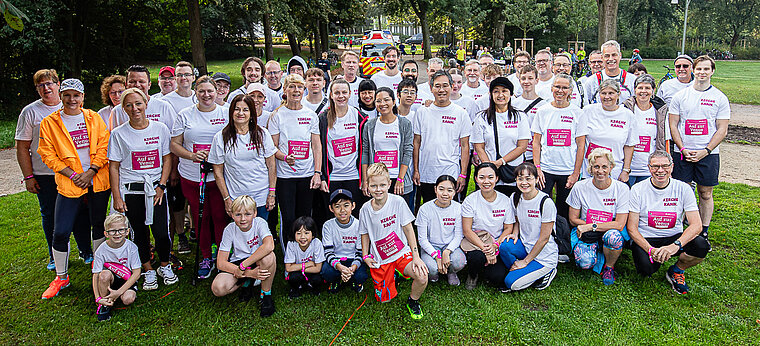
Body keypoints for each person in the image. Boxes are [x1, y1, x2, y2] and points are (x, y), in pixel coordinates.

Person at [38, 78, 111, 300]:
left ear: (82, 97)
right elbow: (47, 154)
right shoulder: (50, 123)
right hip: (70, 183)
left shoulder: (93, 117)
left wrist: (91, 171)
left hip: (97, 179)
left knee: (98, 225)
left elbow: (104, 145)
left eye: (76, 95)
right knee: (60, 230)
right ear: (61, 96)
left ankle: (97, 269)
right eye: (67, 95)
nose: (72, 99)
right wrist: (72, 174)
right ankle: (61, 277)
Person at [106, 65, 186, 255]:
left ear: (149, 85)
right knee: (138, 229)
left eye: (141, 81)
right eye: (133, 81)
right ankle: (145, 263)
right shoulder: (117, 116)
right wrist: (116, 195)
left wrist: (167, 179)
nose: (134, 109)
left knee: (162, 226)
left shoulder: (162, 113)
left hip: (159, 181)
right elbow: (115, 160)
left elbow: (170, 147)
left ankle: (167, 257)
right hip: (131, 185)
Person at [108, 87, 177, 290]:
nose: (134, 108)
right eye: (128, 105)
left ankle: (165, 265)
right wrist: (117, 197)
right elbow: (114, 166)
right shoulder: (118, 134)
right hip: (132, 191)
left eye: (138, 103)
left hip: (156, 190)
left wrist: (162, 186)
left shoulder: (160, 129)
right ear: (123, 109)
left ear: (146, 103)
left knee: (161, 232)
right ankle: (147, 270)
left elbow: (166, 158)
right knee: (139, 233)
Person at [170, 76, 229, 279]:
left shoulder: (225, 112)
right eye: (202, 91)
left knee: (221, 217)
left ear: (217, 92)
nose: (206, 95)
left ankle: (222, 257)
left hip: (219, 177)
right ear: (196, 92)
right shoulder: (185, 114)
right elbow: (174, 144)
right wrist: (192, 156)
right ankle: (206, 256)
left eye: (210, 91)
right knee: (201, 217)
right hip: (193, 176)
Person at [668, 55, 730, 245]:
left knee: (705, 193)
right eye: (699, 69)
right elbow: (673, 125)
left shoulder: (719, 97)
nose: (702, 72)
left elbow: (722, 129)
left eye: (706, 69)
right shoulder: (681, 96)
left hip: (708, 154)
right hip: (683, 152)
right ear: (693, 70)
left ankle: (703, 230)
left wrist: (707, 150)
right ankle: (678, 228)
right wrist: (682, 148)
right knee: (682, 191)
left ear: (712, 71)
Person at [627, 150, 708, 294]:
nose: (660, 170)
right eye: (655, 166)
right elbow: (632, 228)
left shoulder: (683, 188)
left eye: (665, 166)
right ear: (649, 168)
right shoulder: (638, 189)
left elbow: (696, 225)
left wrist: (674, 246)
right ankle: (657, 258)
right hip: (648, 237)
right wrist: (650, 250)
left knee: (701, 246)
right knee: (646, 270)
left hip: (674, 236)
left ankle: (677, 270)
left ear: (672, 167)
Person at [360, 163, 428, 319]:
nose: (378, 189)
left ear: (389, 184)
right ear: (368, 186)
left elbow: (409, 230)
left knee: (422, 276)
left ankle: (413, 301)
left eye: (382, 185)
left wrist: (416, 256)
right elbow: (364, 233)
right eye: (374, 185)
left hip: (401, 253)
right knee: (384, 299)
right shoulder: (365, 209)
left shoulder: (398, 202)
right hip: (381, 258)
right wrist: (365, 256)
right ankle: (393, 276)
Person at [15, 69, 67, 270]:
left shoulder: (71, 105)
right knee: (50, 214)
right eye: (41, 85)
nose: (46, 88)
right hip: (45, 174)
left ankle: (85, 251)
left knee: (80, 212)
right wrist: (28, 176)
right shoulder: (30, 112)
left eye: (49, 83)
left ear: (58, 84)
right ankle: (55, 254)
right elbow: (22, 147)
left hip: (72, 173)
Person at [268, 74, 322, 251]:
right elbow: (272, 148)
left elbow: (316, 147)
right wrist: (284, 157)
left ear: (304, 89)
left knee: (305, 218)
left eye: (299, 87)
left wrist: (317, 173)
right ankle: (289, 255)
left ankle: (305, 254)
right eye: (292, 86)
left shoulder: (310, 115)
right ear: (285, 90)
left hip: (306, 175)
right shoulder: (277, 116)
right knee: (289, 218)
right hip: (285, 177)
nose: (296, 90)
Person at [567, 148, 629, 285]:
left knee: (613, 237)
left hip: (608, 230)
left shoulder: (622, 189)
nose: (600, 171)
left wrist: (591, 226)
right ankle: (598, 251)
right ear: (590, 167)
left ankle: (609, 266)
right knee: (584, 263)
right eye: (596, 166)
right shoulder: (579, 187)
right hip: (588, 233)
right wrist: (590, 228)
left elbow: (619, 224)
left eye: (604, 167)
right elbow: (572, 218)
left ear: (611, 167)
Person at [209, 94, 277, 219]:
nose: (241, 113)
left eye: (245, 110)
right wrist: (226, 198)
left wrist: (271, 193)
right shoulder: (220, 138)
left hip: (261, 195)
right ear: (231, 112)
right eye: (237, 109)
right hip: (236, 197)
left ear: (251, 113)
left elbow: (271, 165)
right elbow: (218, 172)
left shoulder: (262, 134)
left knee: (260, 231)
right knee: (240, 234)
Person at [531, 74, 588, 220]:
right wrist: (537, 167)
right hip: (546, 169)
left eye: (564, 88)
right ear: (551, 88)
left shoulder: (578, 113)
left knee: (564, 212)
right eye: (557, 87)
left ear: (571, 91)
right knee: (542, 209)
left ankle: (562, 240)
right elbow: (536, 142)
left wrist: (576, 173)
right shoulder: (543, 111)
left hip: (567, 170)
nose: (560, 91)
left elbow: (581, 145)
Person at [210, 195, 277, 316]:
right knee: (218, 288)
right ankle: (247, 282)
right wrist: (248, 272)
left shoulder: (260, 223)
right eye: (238, 215)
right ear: (231, 214)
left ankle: (266, 294)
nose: (243, 219)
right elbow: (220, 262)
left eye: (247, 214)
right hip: (239, 262)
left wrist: (243, 266)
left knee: (269, 256)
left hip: (255, 261)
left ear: (255, 213)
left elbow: (269, 245)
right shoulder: (229, 229)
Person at [413, 70, 472, 204]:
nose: (441, 90)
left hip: (449, 171)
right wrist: (416, 170)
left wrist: (463, 174)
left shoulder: (460, 114)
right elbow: (416, 142)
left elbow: (465, 146)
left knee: (450, 210)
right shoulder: (422, 112)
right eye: (437, 86)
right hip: (426, 172)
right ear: (431, 88)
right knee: (428, 207)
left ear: (451, 87)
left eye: (445, 85)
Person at [499, 162, 559, 292]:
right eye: (520, 179)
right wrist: (515, 233)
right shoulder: (515, 197)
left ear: (537, 179)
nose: (524, 182)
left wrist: (525, 262)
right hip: (526, 247)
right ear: (515, 180)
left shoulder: (545, 202)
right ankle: (524, 270)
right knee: (505, 246)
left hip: (544, 255)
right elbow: (518, 220)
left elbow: (544, 239)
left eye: (528, 178)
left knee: (511, 283)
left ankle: (548, 270)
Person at [471, 77, 530, 197]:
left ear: (511, 94)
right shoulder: (481, 117)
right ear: (491, 94)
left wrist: (501, 162)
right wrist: (489, 167)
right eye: (496, 91)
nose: (500, 95)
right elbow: (479, 146)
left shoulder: (520, 116)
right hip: (490, 174)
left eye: (504, 91)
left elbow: (522, 146)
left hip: (512, 170)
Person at [317, 78, 367, 215]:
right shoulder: (323, 119)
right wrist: (322, 177)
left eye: (344, 92)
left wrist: (364, 177)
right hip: (332, 177)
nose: (341, 96)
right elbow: (318, 149)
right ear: (331, 95)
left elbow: (365, 149)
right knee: (332, 216)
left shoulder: (360, 117)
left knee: (355, 215)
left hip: (354, 176)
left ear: (350, 93)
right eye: (337, 93)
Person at [460, 162, 513, 290]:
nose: (486, 181)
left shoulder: (505, 200)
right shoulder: (470, 200)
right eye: (482, 177)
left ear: (497, 178)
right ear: (476, 179)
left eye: (490, 177)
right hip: (477, 242)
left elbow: (508, 228)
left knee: (497, 277)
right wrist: (485, 248)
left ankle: (488, 270)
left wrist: (495, 246)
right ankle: (473, 275)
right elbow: (467, 230)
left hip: (496, 242)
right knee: (477, 258)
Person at [362, 87, 415, 209]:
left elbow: (407, 152)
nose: (382, 104)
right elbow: (365, 153)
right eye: (378, 101)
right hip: (377, 181)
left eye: (386, 100)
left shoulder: (404, 124)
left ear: (394, 101)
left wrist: (401, 179)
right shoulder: (370, 125)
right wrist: (366, 180)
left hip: (398, 178)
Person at [582, 79, 637, 182]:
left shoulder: (627, 115)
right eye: (603, 93)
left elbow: (629, 145)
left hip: (615, 170)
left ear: (618, 94)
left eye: (611, 93)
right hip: (589, 169)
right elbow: (580, 140)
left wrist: (625, 170)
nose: (607, 97)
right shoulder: (588, 111)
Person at [416, 175, 465, 286]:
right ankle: (434, 273)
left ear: (454, 192)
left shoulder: (458, 208)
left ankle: (451, 272)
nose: (445, 194)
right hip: (431, 246)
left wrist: (447, 252)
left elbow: (458, 236)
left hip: (450, 245)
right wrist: (436, 256)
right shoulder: (425, 209)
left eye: (449, 190)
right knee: (431, 268)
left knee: (459, 262)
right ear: (435, 189)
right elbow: (422, 239)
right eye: (441, 189)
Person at [91, 214, 141, 322]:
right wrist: (97, 298)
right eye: (113, 231)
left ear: (127, 231)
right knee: (104, 275)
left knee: (128, 299)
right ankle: (105, 304)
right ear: (106, 233)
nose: (117, 234)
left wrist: (118, 292)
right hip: (111, 278)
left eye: (121, 230)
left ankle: (116, 295)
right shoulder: (101, 250)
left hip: (126, 280)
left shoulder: (131, 247)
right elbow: (96, 274)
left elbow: (137, 273)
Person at [623, 74, 668, 186]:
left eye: (647, 88)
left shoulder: (660, 111)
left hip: (649, 168)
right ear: (634, 90)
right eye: (640, 88)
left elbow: (665, 139)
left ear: (653, 91)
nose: (643, 91)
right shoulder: (625, 109)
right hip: (628, 168)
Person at [320, 189, 368, 293]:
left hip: (353, 259)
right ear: (331, 208)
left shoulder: (359, 225)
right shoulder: (328, 226)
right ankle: (336, 281)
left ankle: (355, 281)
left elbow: (360, 253)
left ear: (353, 206)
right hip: (336, 260)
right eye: (337, 206)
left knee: (361, 275)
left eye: (346, 205)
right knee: (326, 272)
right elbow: (328, 252)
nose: (342, 210)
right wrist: (340, 267)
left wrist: (351, 269)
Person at [511, 65, 548, 162]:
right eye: (523, 78)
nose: (526, 82)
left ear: (537, 80)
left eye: (530, 78)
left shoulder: (544, 105)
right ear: (519, 81)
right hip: (516, 153)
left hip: (535, 154)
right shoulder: (513, 104)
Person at [583, 40, 635, 105]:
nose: (610, 59)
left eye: (614, 55)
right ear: (602, 57)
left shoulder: (632, 80)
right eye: (607, 56)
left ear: (620, 55)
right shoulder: (592, 81)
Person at [284, 216, 325, 298]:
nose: (302, 237)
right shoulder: (291, 244)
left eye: (306, 233)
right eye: (298, 233)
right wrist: (308, 264)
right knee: (294, 277)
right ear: (294, 234)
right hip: (299, 271)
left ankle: (312, 285)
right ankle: (296, 288)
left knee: (317, 279)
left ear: (313, 234)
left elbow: (318, 268)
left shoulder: (317, 243)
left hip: (309, 271)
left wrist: (297, 267)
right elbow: (288, 268)